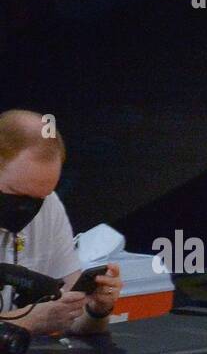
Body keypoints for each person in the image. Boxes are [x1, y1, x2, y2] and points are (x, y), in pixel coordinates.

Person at [0, 109, 121, 334]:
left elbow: (73, 319)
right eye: (17, 195)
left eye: (40, 198)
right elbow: (38, 320)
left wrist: (97, 310)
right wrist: (29, 321)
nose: (28, 209)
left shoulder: (50, 205)